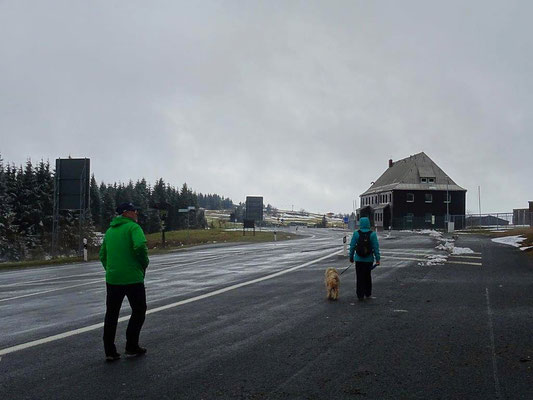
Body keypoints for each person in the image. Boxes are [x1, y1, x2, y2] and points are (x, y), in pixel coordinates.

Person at [99, 202, 150, 361]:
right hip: (133, 278)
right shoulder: (134, 228)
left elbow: (102, 255)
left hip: (113, 279)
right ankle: (131, 346)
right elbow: (140, 245)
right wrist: (143, 263)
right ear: (126, 213)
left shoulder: (109, 231)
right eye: (134, 211)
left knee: (112, 314)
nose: (136, 213)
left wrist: (110, 269)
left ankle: (110, 351)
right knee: (139, 310)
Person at [349, 216, 381, 300]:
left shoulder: (356, 233)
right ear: (368, 224)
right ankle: (368, 293)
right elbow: (376, 247)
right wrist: (378, 259)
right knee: (367, 276)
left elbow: (352, 246)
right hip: (369, 259)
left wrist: (351, 257)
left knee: (359, 277)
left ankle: (360, 294)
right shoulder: (373, 234)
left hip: (358, 259)